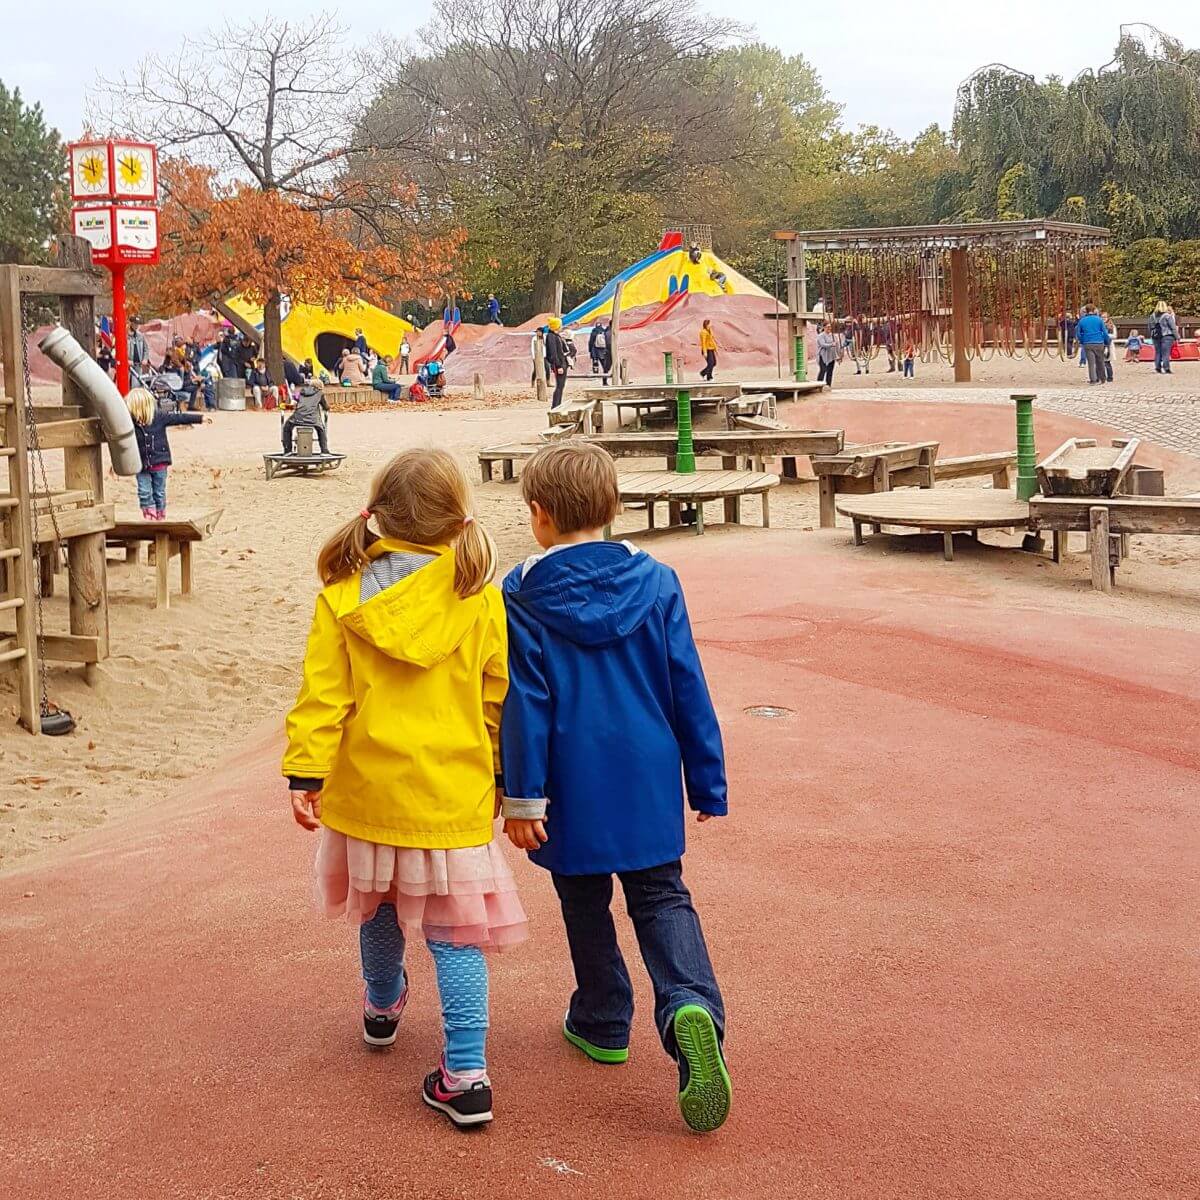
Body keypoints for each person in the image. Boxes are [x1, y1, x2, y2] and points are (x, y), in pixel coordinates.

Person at [283, 449, 525, 1129]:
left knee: (379, 908)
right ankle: (467, 1075)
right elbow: (498, 697)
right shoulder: (479, 599)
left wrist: (306, 771)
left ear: (378, 513)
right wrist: (507, 778)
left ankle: (383, 1006)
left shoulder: (341, 598)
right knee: (456, 934)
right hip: (452, 796)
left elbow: (321, 699)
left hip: (370, 796)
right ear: (456, 519)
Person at [499, 442, 731, 1134]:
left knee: (582, 897)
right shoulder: (658, 582)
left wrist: (522, 796)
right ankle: (690, 1004)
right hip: (647, 772)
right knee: (661, 895)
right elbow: (687, 683)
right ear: (613, 508)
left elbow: (526, 701)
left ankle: (602, 1017)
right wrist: (707, 777)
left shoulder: (521, 591)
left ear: (539, 516)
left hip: (571, 780)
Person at [125, 386, 207, 521]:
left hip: (159, 462)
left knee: (159, 492)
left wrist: (199, 418)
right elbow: (124, 444)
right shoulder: (130, 424)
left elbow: (179, 417)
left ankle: (160, 513)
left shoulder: (159, 417)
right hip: (141, 464)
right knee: (144, 492)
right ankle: (149, 514)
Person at [283, 383, 331, 454]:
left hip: (297, 418)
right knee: (321, 429)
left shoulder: (300, 392)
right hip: (313, 419)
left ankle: (288, 450)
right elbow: (326, 407)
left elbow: (293, 403)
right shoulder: (320, 393)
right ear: (320, 387)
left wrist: (285, 406)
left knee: (287, 427)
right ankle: (324, 450)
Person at [1075, 305, 1111, 385]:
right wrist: (1107, 341)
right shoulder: (1099, 320)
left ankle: (1093, 380)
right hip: (1099, 342)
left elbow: (1078, 334)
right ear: (1094, 310)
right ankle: (1102, 378)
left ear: (1086, 311)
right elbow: (1104, 332)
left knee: (1091, 363)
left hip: (1088, 343)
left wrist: (1082, 341)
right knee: (1100, 361)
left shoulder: (1082, 321)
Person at [544, 317, 568, 408]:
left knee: (561, 386)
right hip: (559, 364)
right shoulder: (551, 337)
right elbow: (553, 353)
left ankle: (558, 404)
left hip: (562, 363)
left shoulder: (556, 336)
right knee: (559, 386)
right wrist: (558, 366)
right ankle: (555, 406)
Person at [1149, 300, 1178, 374]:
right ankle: (1166, 368)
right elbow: (1173, 327)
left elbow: (1150, 327)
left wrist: (1152, 335)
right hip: (1167, 336)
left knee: (1158, 352)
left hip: (1156, 336)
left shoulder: (1152, 316)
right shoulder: (1167, 316)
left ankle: (1157, 367)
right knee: (1166, 353)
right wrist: (1177, 337)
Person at [588, 318, 612, 385]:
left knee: (595, 362)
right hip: (603, 350)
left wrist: (590, 350)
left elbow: (590, 341)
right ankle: (604, 378)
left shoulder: (594, 332)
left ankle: (596, 374)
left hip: (594, 349)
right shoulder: (604, 331)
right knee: (604, 364)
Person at [816, 322, 838, 388]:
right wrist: (831, 344)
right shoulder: (821, 336)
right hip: (823, 356)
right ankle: (818, 385)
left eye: (830, 327)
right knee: (823, 370)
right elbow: (822, 344)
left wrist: (838, 355)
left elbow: (837, 344)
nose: (829, 328)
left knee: (830, 371)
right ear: (824, 327)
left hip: (831, 356)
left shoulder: (833, 336)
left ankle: (828, 385)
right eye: (827, 327)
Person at [1100, 311, 1117, 383]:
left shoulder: (1111, 326)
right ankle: (1100, 377)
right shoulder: (1099, 325)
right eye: (1102, 317)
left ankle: (1110, 377)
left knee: (1107, 362)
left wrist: (1106, 335)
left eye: (1105, 317)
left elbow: (1115, 336)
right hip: (1100, 344)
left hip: (1108, 345)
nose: (1103, 319)